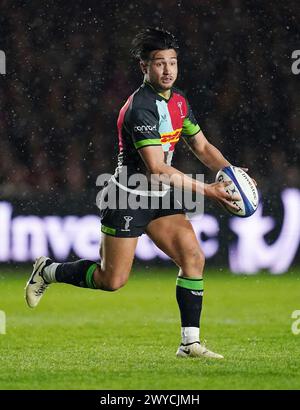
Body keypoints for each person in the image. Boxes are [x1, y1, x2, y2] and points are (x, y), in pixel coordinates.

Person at [25, 28, 244, 359]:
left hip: (163, 194)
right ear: (144, 67)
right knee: (111, 279)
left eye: (172, 62)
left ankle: (189, 344)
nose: (168, 70)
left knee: (193, 258)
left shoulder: (180, 102)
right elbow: (156, 168)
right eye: (159, 63)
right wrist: (210, 191)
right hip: (129, 195)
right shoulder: (139, 108)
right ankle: (48, 270)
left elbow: (200, 145)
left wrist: (231, 173)